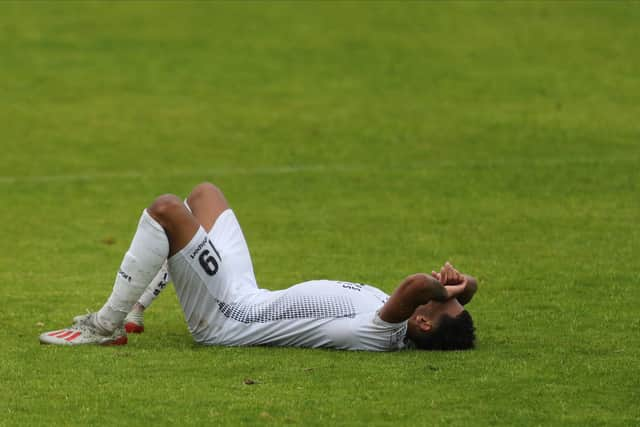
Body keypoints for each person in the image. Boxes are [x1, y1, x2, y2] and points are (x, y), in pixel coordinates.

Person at [40, 183, 477, 351]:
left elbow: (416, 284)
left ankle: (105, 325)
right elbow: (434, 297)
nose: (444, 292)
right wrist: (466, 285)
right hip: (247, 294)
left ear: (421, 319)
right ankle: (137, 307)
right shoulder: (412, 319)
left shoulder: (382, 333)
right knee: (204, 195)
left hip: (228, 318)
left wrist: (441, 288)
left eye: (443, 303)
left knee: (167, 211)